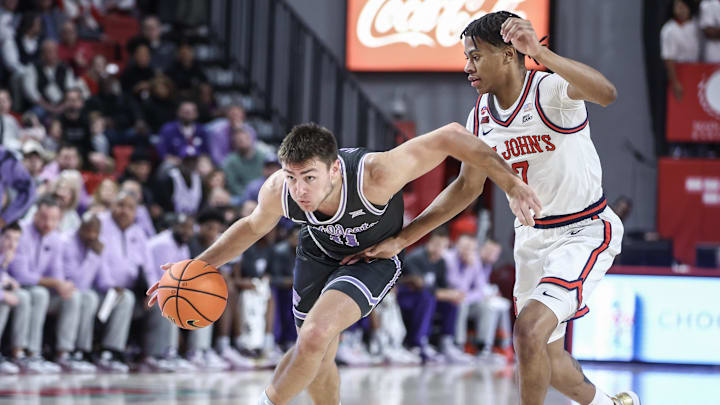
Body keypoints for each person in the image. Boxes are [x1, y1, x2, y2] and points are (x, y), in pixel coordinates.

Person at [344, 12, 636, 405]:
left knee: (528, 330)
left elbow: (606, 93)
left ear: (508, 55)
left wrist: (541, 55)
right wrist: (402, 240)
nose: (467, 67)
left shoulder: (549, 90)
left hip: (583, 229)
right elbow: (465, 188)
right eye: (466, 57)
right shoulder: (480, 117)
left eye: (476, 56)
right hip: (532, 238)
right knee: (547, 357)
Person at [147, 121, 539, 405]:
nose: (300, 189)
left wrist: (512, 184)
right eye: (292, 177)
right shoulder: (279, 191)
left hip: (373, 257)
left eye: (310, 178)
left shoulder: (378, 174)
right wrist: (194, 267)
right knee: (315, 352)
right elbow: (250, 228)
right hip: (318, 254)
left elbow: (453, 135)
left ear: (334, 169)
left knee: (315, 337)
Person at [445, 236, 512, 361]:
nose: (468, 251)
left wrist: (467, 297)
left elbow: (480, 289)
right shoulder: (449, 258)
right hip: (448, 298)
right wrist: (468, 269)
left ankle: (484, 347)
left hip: (465, 299)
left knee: (487, 307)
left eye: (471, 249)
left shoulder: (474, 260)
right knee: (462, 304)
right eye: (465, 248)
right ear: (457, 246)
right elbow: (455, 285)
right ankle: (459, 346)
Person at [661, 0, 700, 100]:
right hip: (679, 72)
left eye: (683, 6)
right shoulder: (669, 29)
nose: (681, 9)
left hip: (697, 71)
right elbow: (669, 59)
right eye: (678, 6)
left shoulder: (696, 25)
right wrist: (675, 83)